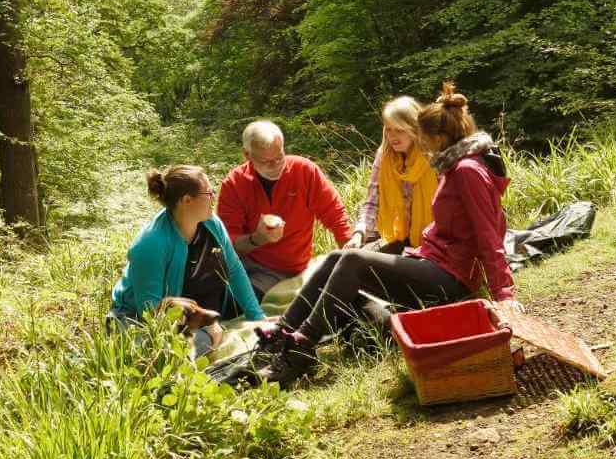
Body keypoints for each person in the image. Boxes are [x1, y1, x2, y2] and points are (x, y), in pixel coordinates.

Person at [252, 84, 516, 386]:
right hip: (432, 261)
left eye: (425, 140)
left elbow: (488, 234)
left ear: (440, 138)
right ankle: (282, 333)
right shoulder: (456, 165)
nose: (423, 146)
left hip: (450, 278)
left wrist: (504, 295)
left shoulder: (467, 170)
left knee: (352, 262)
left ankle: (300, 349)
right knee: (340, 256)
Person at [110, 165, 267, 357]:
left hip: (191, 308)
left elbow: (233, 269)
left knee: (262, 294)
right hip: (135, 320)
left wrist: (257, 318)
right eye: (208, 193)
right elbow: (150, 313)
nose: (213, 198)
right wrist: (206, 329)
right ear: (187, 200)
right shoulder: (150, 245)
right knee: (177, 350)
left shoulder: (212, 224)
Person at [217, 120, 352, 299]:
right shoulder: (234, 183)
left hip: (294, 268)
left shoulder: (304, 171)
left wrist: (351, 252)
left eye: (279, 157)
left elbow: (335, 214)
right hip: (251, 266)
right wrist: (257, 239)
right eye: (266, 161)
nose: (275, 166)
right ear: (247, 155)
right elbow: (227, 245)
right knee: (226, 301)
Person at [348, 95, 438, 254]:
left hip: (432, 244)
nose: (392, 136)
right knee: (346, 258)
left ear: (414, 129)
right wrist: (359, 234)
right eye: (388, 129)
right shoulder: (384, 157)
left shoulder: (435, 157)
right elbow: (371, 203)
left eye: (399, 130)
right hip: (396, 237)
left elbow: (448, 210)